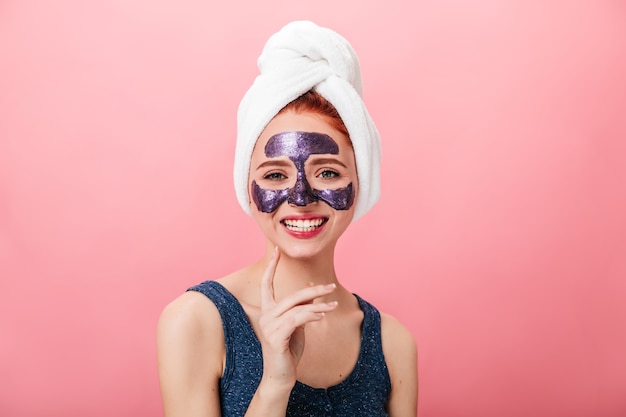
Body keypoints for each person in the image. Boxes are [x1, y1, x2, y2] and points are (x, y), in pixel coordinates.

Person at [157, 20, 418, 416]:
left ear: (360, 181)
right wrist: (275, 386)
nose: (300, 198)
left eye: (328, 172)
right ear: (248, 186)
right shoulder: (195, 322)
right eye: (276, 175)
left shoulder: (392, 343)